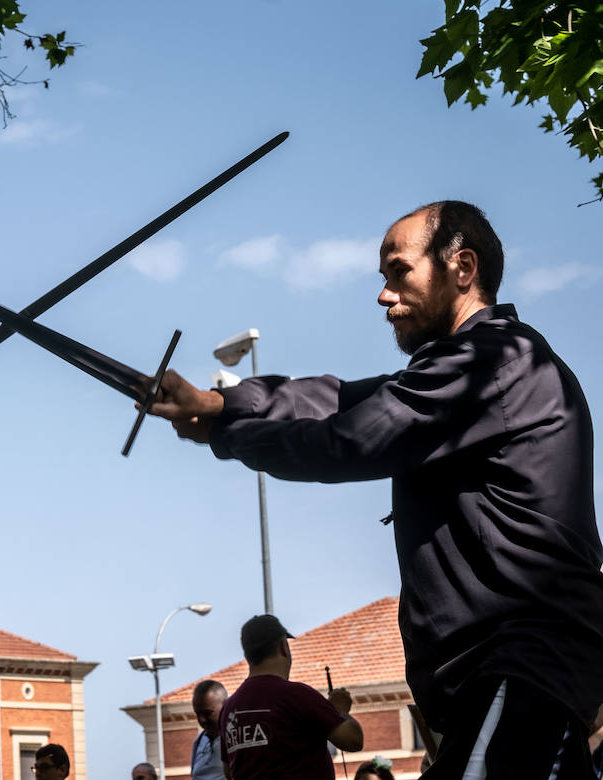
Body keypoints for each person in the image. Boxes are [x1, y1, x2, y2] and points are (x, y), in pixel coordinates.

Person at [149, 201, 603, 778]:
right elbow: (334, 398)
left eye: (399, 272)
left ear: (462, 267)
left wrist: (225, 433)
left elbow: (350, 439)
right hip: (496, 681)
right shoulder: (462, 369)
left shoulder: (497, 360)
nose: (384, 295)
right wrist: (220, 403)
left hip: (519, 667)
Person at [218, 615, 362, 779]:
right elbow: (353, 740)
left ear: (247, 655)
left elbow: (228, 771)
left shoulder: (229, 708)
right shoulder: (296, 696)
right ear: (283, 647)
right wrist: (340, 711)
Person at [190, 680, 226, 780]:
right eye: (198, 714)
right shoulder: (199, 741)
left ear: (225, 706)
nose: (202, 719)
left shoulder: (236, 738)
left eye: (207, 713)